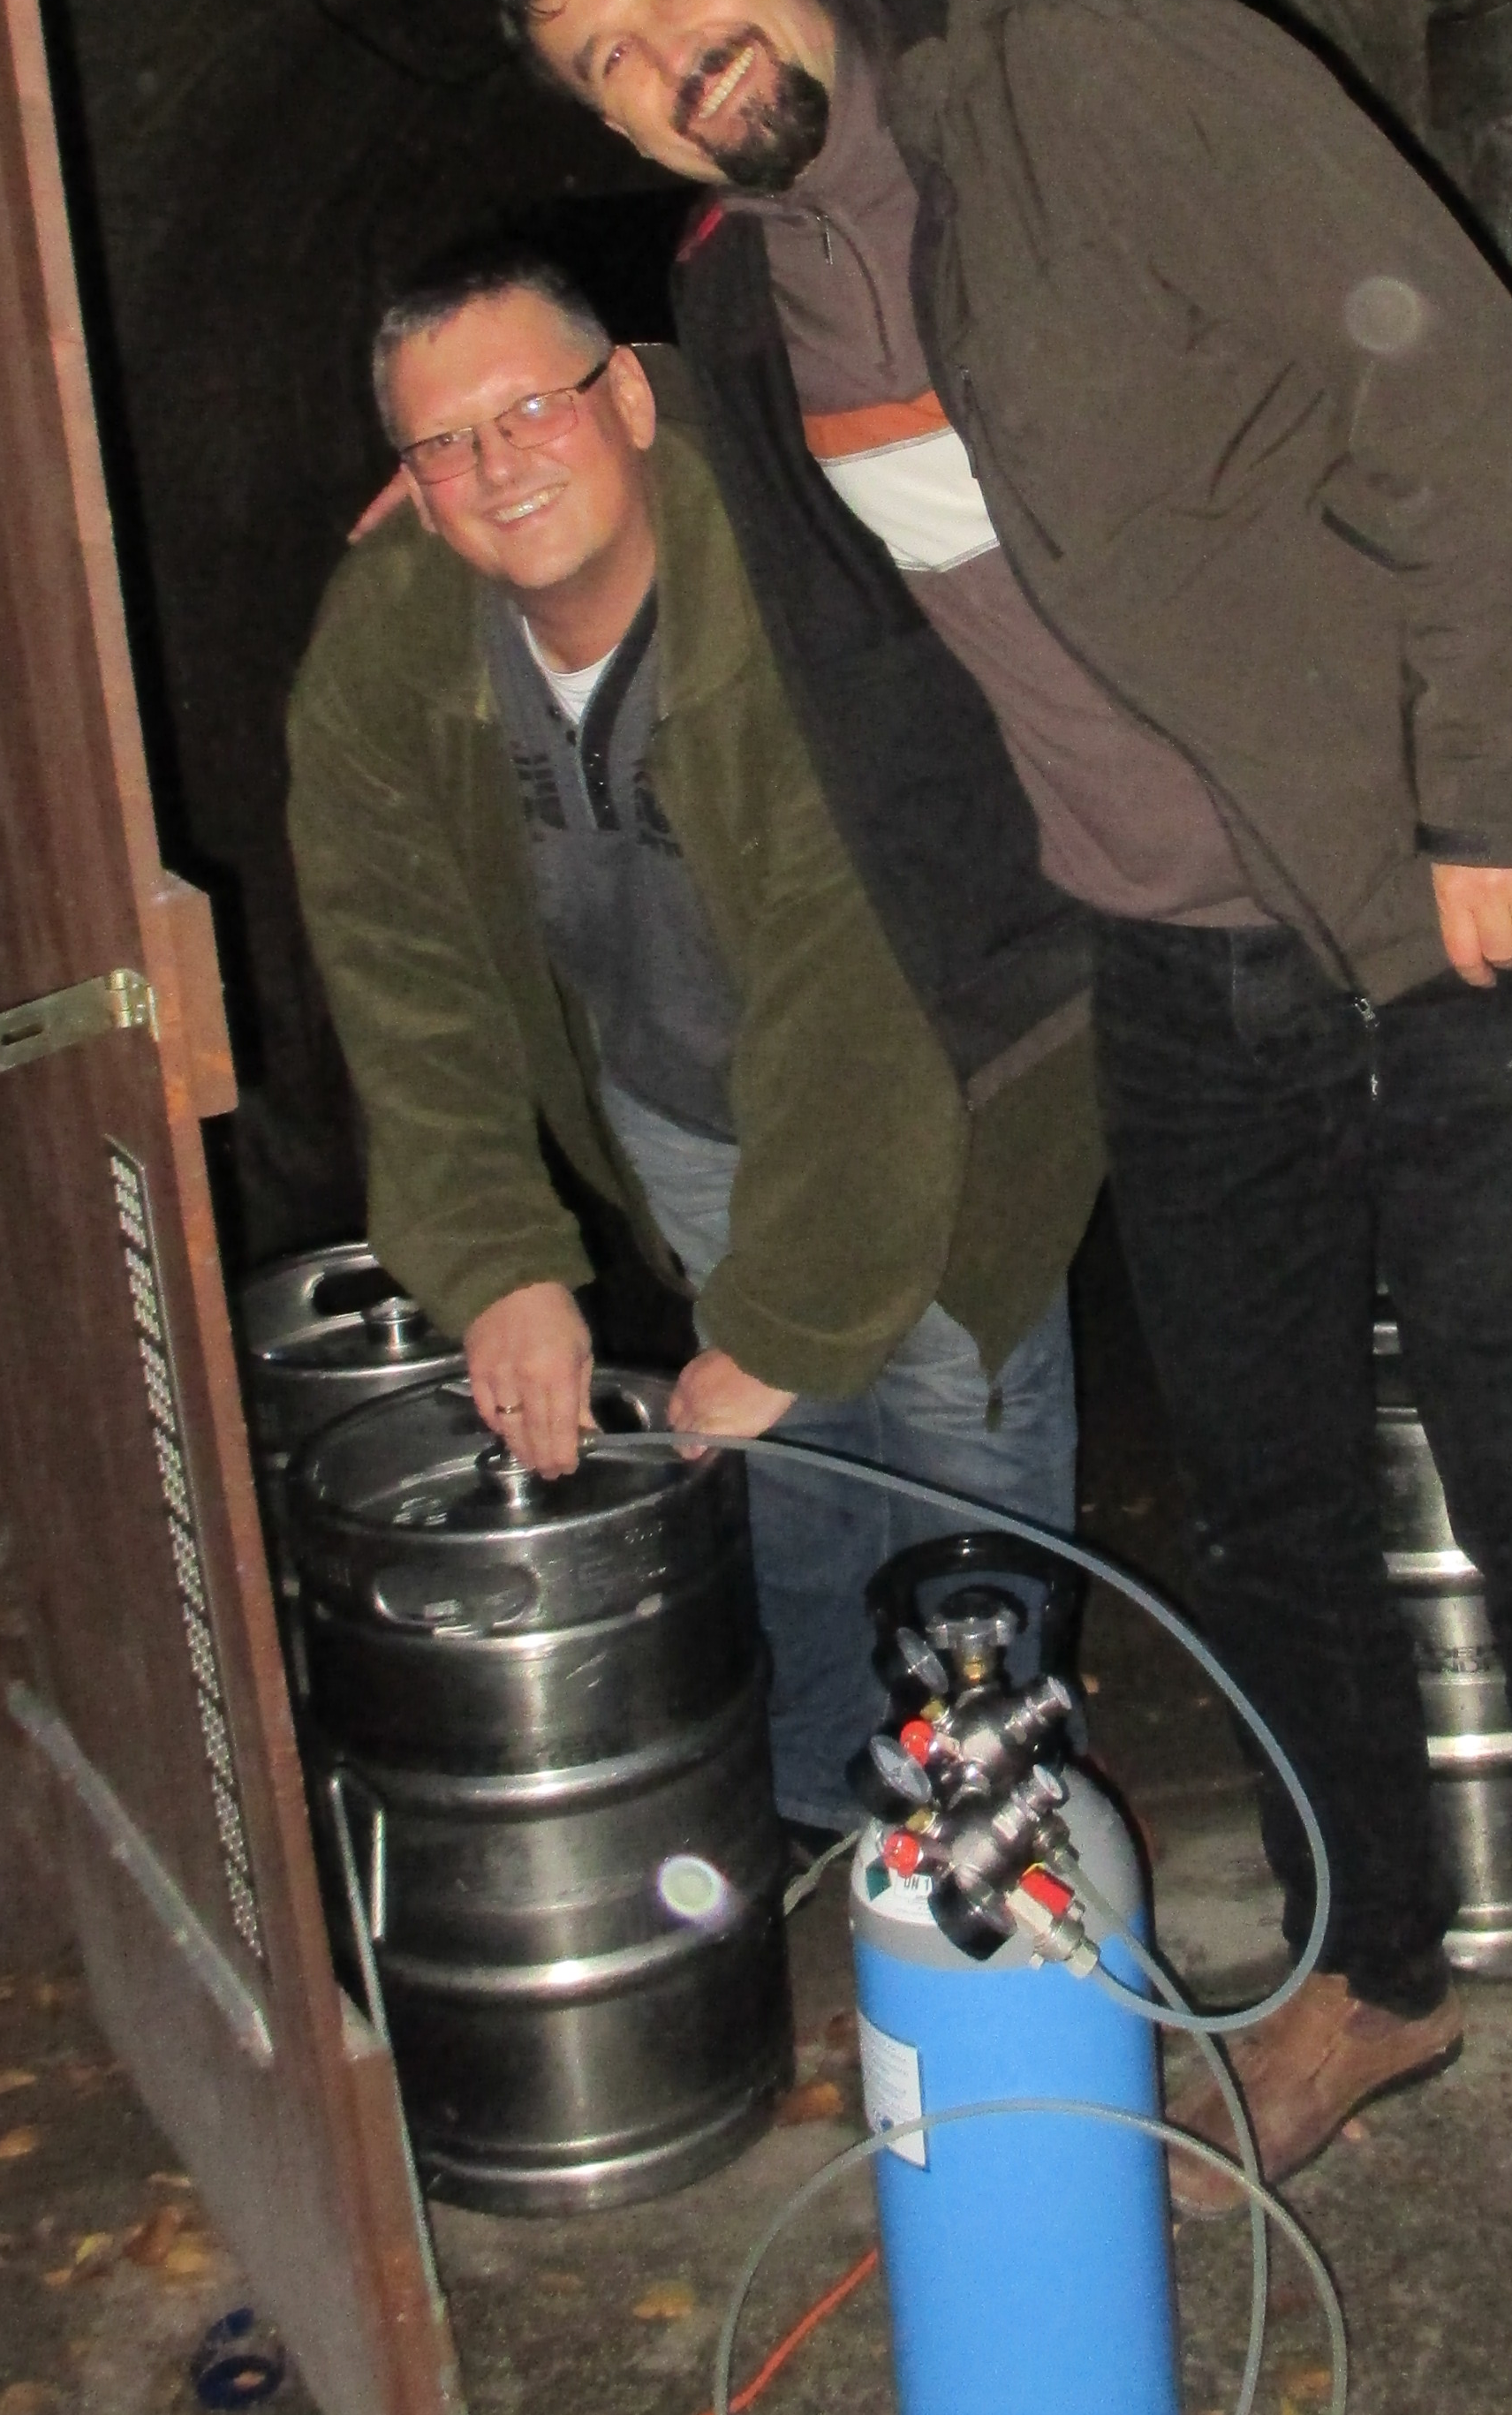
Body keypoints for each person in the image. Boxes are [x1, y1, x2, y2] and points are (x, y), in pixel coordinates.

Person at [475, 0, 1512, 2401]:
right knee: (1266, 1505)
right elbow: (775, 579)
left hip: (1446, 890)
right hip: (1172, 955)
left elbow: (1439, 369)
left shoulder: (1087, 71)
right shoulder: (737, 296)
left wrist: (1501, 789)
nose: (666, 54)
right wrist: (467, 513)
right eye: (604, 57)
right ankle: (1374, 1967)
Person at [286, 240, 1100, 1836]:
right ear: (410, 487)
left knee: (955, 1444)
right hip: (678, 1087)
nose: (499, 467)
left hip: (952, 1072)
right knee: (785, 1472)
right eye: (445, 442)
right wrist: (499, 1262)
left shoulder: (802, 598)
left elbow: (857, 985)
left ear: (633, 401)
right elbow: (403, 970)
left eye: (534, 408)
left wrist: (796, 1319)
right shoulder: (390, 646)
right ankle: (821, 1805)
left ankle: (992, 1842)